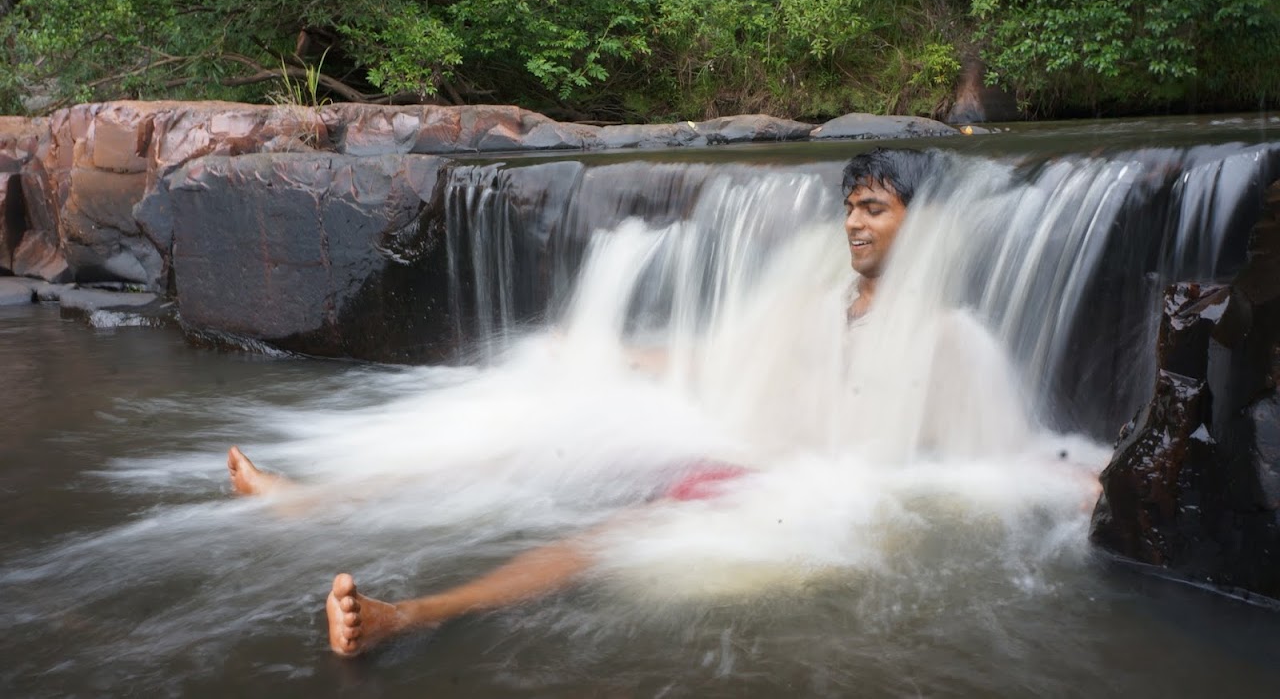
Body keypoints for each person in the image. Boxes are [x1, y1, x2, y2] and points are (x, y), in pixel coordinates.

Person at [225, 148, 1038, 658]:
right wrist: (614, 354)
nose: (853, 225)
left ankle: (409, 616)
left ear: (923, 227)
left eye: (874, 210)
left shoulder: (949, 339)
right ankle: (312, 500)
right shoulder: (819, 306)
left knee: (599, 541)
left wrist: (1076, 483)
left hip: (799, 501)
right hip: (735, 455)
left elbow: (1003, 461)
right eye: (850, 208)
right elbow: (722, 362)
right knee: (524, 449)